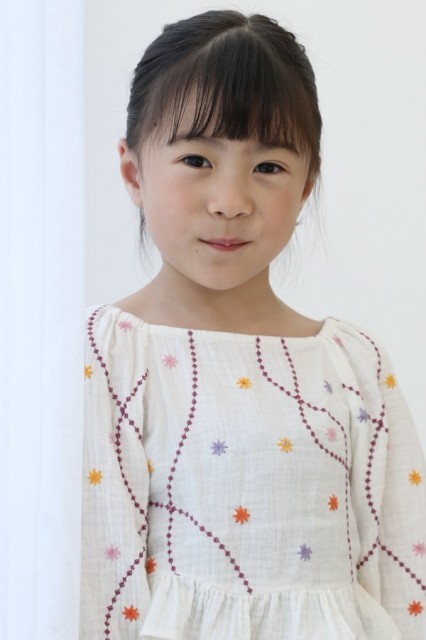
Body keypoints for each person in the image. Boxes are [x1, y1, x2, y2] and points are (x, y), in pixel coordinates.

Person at [81, 10, 426, 639]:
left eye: (268, 167)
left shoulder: (352, 362)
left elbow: (404, 573)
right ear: (133, 172)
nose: (231, 202)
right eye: (196, 159)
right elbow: (96, 586)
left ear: (307, 183)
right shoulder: (111, 354)